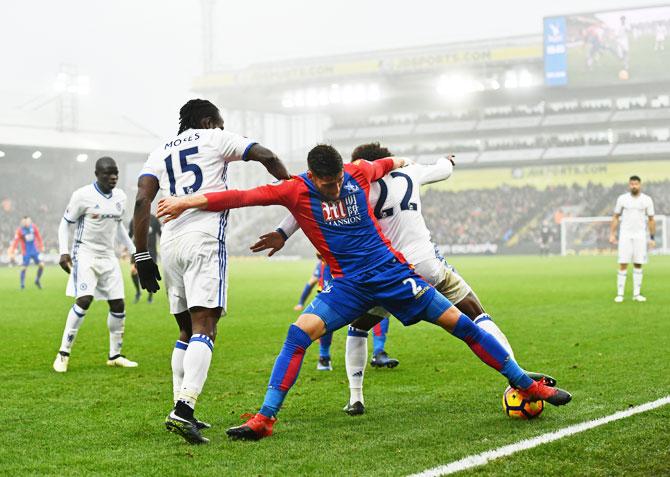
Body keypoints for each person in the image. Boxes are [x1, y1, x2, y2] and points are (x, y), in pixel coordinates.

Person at [157, 144, 572, 440]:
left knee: (461, 325)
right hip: (349, 287)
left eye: (339, 179)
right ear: (312, 175)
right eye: (328, 183)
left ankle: (525, 383)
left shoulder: (357, 172)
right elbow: (240, 196)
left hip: (394, 275)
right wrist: (184, 202)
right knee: (297, 334)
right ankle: (265, 417)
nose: (336, 187)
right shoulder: (295, 189)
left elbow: (386, 162)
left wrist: (406, 160)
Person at [257, 143, 544, 415]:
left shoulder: (356, 187)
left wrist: (282, 233)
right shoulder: (411, 171)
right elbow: (443, 170)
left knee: (358, 328)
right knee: (474, 313)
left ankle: (355, 397)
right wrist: (448, 160)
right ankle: (516, 375)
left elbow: (305, 206)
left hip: (388, 272)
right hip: (427, 266)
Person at [132, 98, 290, 445]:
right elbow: (265, 154)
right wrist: (289, 187)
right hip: (204, 239)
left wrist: (142, 255)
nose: (221, 128)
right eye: (218, 123)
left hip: (171, 245)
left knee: (186, 328)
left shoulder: (158, 152)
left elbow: (143, 201)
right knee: (207, 325)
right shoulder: (214, 138)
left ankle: (179, 404)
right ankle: (183, 410)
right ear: (207, 121)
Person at [53, 157, 138, 373]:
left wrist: (135, 252)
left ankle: (115, 355)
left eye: (116, 173)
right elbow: (65, 225)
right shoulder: (82, 196)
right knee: (84, 300)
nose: (113, 177)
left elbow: (119, 229)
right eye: (108, 173)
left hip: (108, 256)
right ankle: (63, 354)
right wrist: (64, 252)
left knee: (118, 304)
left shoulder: (120, 197)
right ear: (97, 174)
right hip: (85, 254)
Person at [609, 175, 655, 303]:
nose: (634, 186)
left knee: (638, 263)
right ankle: (620, 294)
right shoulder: (622, 199)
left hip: (640, 235)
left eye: (636, 184)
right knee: (623, 263)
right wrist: (612, 234)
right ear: (629, 185)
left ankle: (636, 294)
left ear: (640, 185)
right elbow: (615, 216)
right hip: (625, 235)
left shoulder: (647, 200)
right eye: (631, 184)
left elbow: (651, 219)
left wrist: (652, 237)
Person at [128, 214, 161, 303]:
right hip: (137, 250)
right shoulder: (134, 219)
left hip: (151, 251)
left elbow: (160, 234)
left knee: (150, 274)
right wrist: (126, 248)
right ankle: (138, 292)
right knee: (133, 271)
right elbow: (129, 235)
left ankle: (150, 296)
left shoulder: (154, 220)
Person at [9, 216, 44, 289]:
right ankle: (22, 285)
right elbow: (16, 241)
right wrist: (13, 250)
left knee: (41, 265)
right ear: (22, 222)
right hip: (26, 252)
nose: (26, 223)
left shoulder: (33, 227)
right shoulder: (20, 230)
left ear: (30, 221)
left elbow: (38, 237)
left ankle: (37, 280)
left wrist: (41, 246)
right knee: (24, 268)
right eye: (25, 222)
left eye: (28, 221)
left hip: (34, 250)